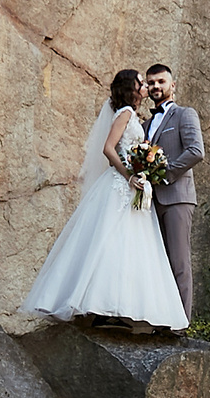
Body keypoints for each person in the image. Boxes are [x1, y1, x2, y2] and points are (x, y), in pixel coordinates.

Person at [21, 69, 189, 333]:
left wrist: (144, 170)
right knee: (112, 242)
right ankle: (102, 307)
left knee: (127, 246)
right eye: (142, 82)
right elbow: (108, 149)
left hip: (132, 187)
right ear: (132, 88)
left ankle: (117, 308)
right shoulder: (125, 113)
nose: (146, 86)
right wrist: (129, 175)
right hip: (121, 187)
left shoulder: (134, 116)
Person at [141, 63, 205, 319]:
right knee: (157, 263)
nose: (156, 86)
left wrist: (165, 173)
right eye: (151, 83)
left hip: (177, 197)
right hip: (149, 201)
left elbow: (196, 151)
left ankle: (180, 323)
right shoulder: (145, 124)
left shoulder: (184, 114)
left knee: (179, 262)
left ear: (172, 85)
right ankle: (159, 319)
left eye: (161, 81)